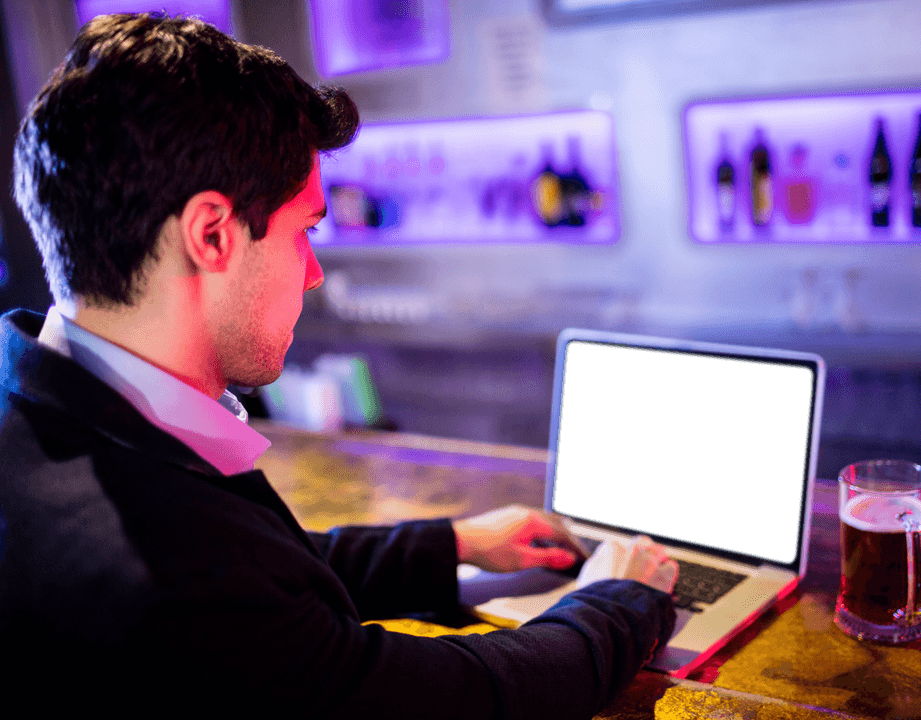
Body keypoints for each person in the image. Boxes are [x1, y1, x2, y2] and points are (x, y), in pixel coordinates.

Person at [0, 13, 677, 718]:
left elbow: (266, 570)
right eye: (305, 231)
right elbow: (460, 698)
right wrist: (616, 601)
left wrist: (454, 545)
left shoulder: (42, 417)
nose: (315, 272)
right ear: (211, 234)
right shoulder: (171, 576)